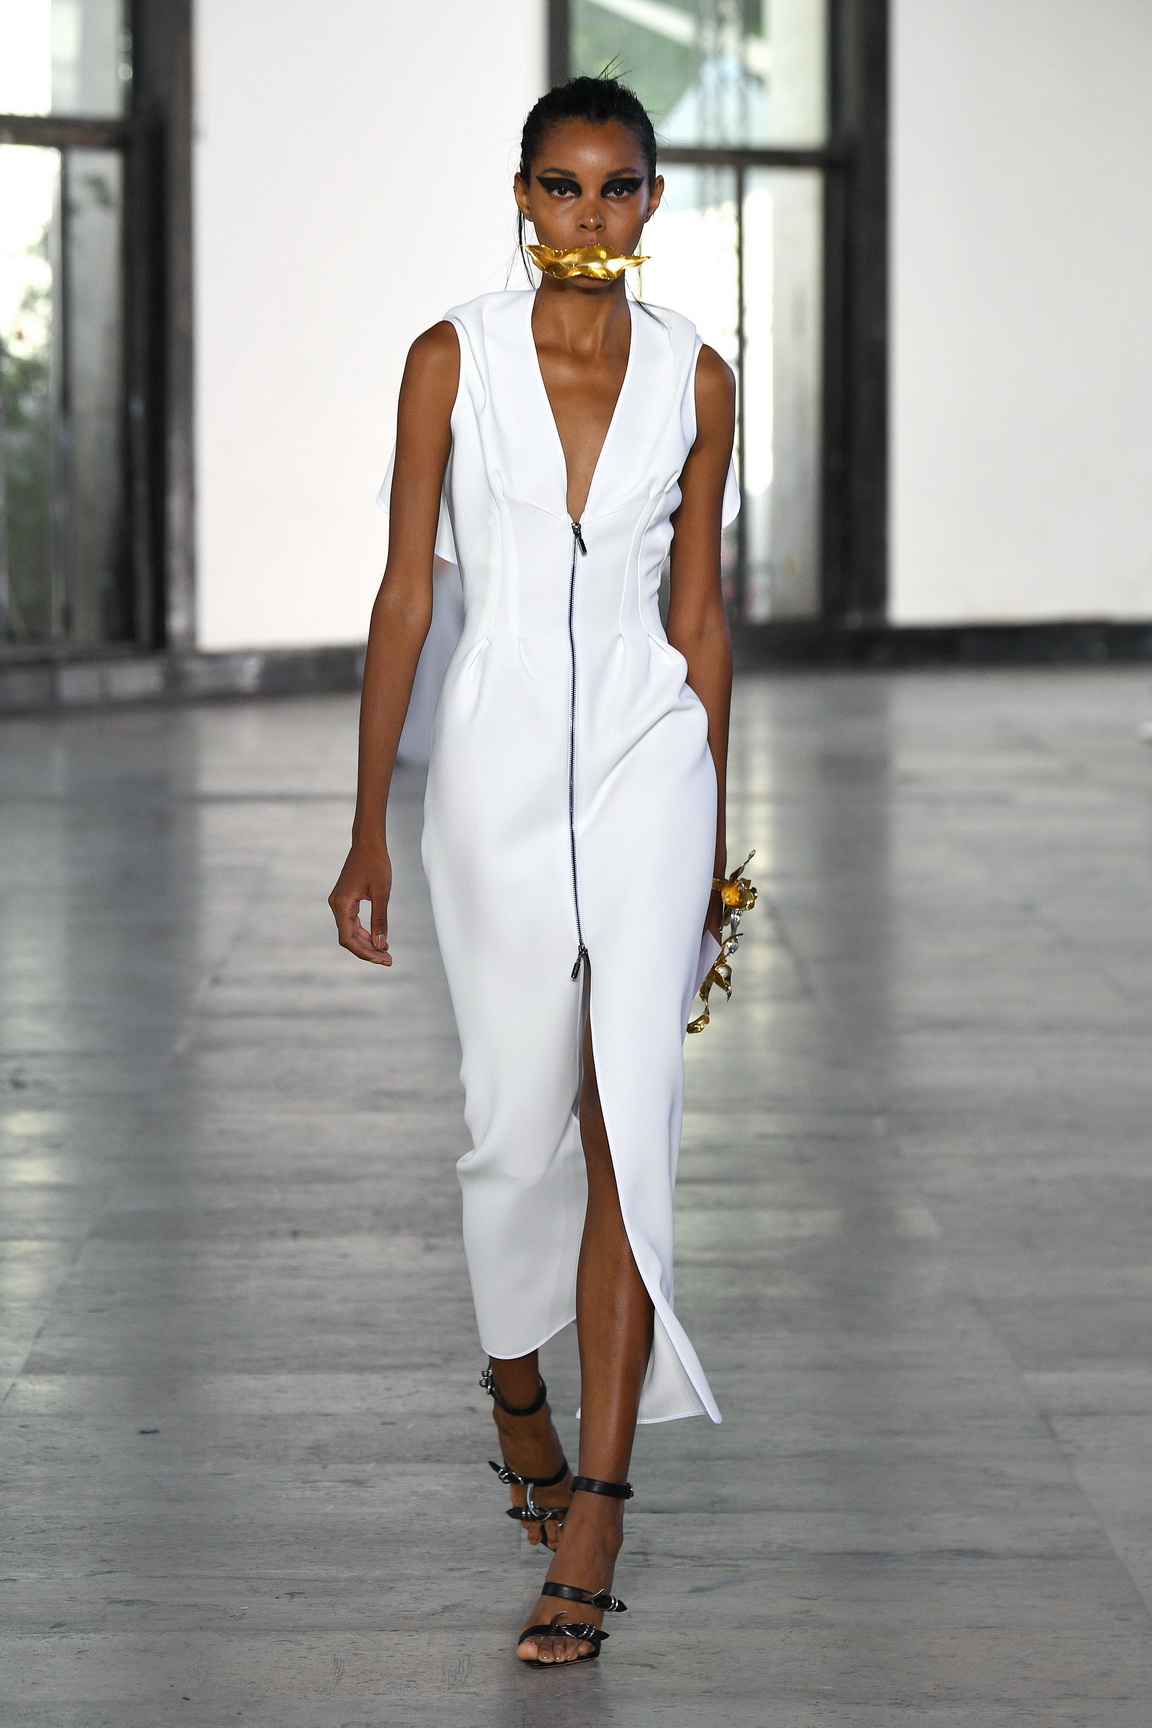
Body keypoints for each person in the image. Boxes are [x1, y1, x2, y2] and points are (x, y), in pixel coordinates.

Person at [329, 74, 737, 1667]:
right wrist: (366, 824)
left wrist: (712, 849)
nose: (588, 213)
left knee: (630, 1122)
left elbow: (698, 615)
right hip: (491, 772)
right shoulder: (453, 358)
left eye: (616, 186)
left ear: (650, 200)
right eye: (561, 186)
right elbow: (404, 600)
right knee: (512, 1131)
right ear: (522, 197)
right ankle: (516, 1390)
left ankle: (600, 1511)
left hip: (649, 764)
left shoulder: (698, 373)